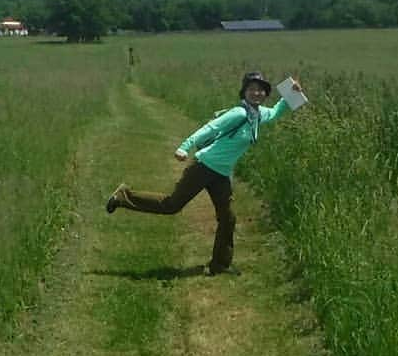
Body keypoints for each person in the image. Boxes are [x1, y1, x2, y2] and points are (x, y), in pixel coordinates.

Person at [105, 70, 305, 275]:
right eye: (252, 89)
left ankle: (219, 265)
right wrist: (185, 146)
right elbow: (210, 128)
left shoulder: (258, 114)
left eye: (261, 90)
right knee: (171, 205)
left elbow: (276, 112)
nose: (257, 93)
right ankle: (123, 196)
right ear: (244, 92)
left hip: (221, 174)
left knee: (228, 219)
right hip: (204, 166)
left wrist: (291, 92)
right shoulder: (239, 113)